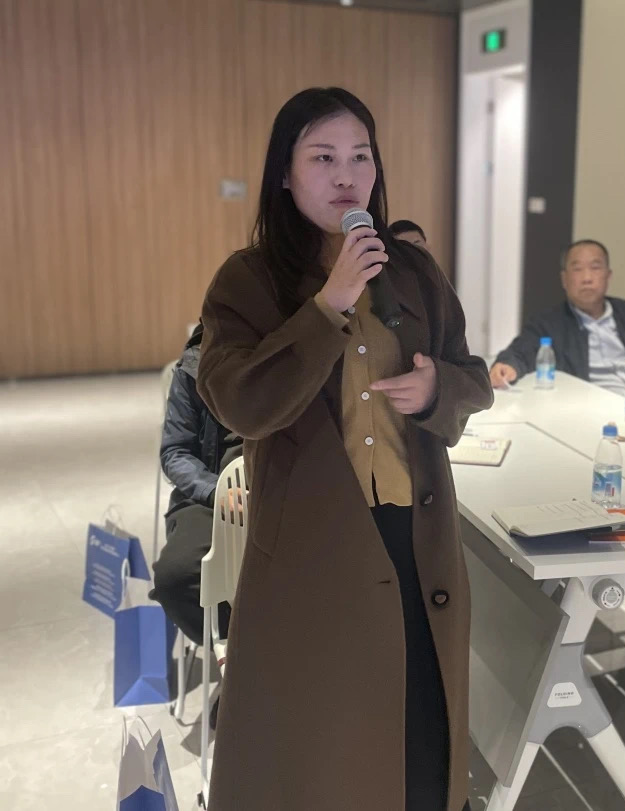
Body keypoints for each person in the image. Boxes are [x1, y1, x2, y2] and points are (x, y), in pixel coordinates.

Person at [196, 87, 491, 811]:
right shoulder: (249, 279)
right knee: (322, 750)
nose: (346, 176)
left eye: (360, 156)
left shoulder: (412, 271)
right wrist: (328, 304)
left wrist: (437, 389)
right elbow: (242, 403)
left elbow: (473, 380)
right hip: (313, 547)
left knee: (420, 741)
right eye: (322, 158)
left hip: (417, 538)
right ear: (285, 174)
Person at [149, 322, 239, 729]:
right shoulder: (195, 364)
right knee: (176, 578)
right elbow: (175, 451)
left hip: (284, 497)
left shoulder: (295, 349)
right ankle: (238, 665)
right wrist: (215, 490)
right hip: (212, 493)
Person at [490, 239, 625, 413]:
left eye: (595, 268)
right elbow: (520, 351)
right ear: (564, 279)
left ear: (608, 276)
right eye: (577, 269)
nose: (587, 278)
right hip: (585, 412)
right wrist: (507, 365)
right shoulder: (548, 322)